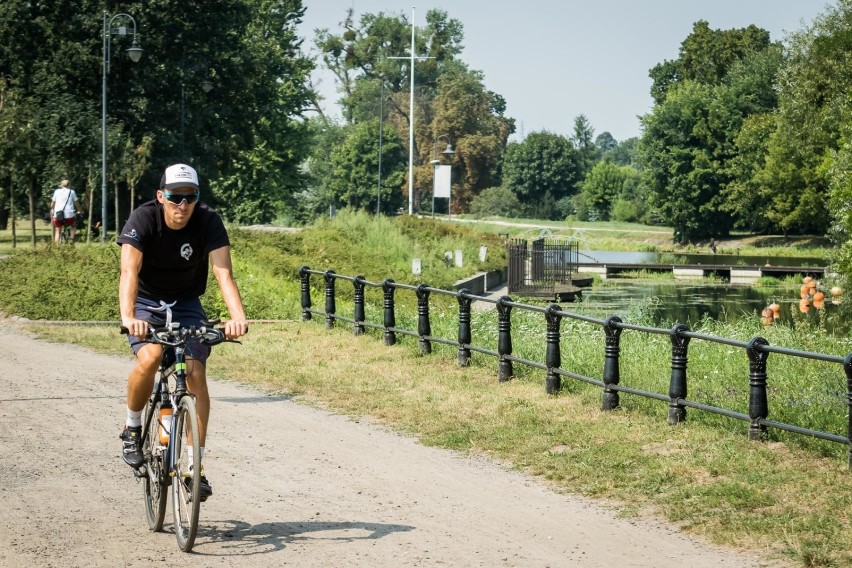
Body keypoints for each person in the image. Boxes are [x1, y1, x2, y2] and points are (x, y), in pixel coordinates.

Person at [116, 163, 248, 501]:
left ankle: (193, 465)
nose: (182, 206)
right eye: (175, 198)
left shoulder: (208, 221)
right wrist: (129, 316)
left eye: (190, 198)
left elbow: (223, 274)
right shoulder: (143, 219)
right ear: (161, 196)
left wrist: (237, 317)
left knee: (194, 372)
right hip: (147, 303)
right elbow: (129, 271)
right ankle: (132, 429)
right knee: (150, 357)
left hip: (187, 302)